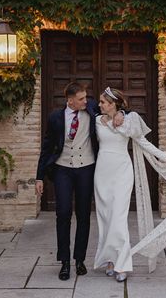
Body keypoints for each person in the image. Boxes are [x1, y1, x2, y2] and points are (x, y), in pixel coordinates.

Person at [93, 87, 166, 282]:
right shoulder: (96, 120)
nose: (99, 104)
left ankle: (122, 264)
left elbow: (144, 142)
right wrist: (120, 111)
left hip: (122, 171)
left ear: (113, 104)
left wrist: (164, 157)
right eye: (99, 102)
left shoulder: (129, 121)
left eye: (103, 102)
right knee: (105, 218)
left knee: (118, 218)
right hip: (102, 173)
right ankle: (110, 260)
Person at [35, 82, 124, 281]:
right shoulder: (55, 118)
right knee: (63, 213)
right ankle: (65, 262)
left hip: (86, 169)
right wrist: (39, 176)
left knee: (84, 215)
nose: (87, 100)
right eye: (82, 98)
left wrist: (121, 114)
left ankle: (79, 259)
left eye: (86, 97)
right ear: (70, 100)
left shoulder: (91, 108)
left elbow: (118, 105)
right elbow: (47, 147)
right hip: (62, 169)